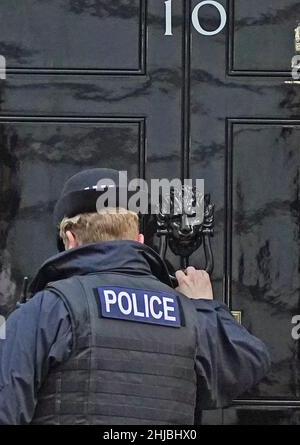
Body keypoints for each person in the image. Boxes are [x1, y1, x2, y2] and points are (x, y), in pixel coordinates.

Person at [0, 169, 271, 425]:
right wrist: (204, 307)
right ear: (139, 240)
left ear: (70, 239)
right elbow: (247, 364)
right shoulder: (187, 313)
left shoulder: (49, 309)